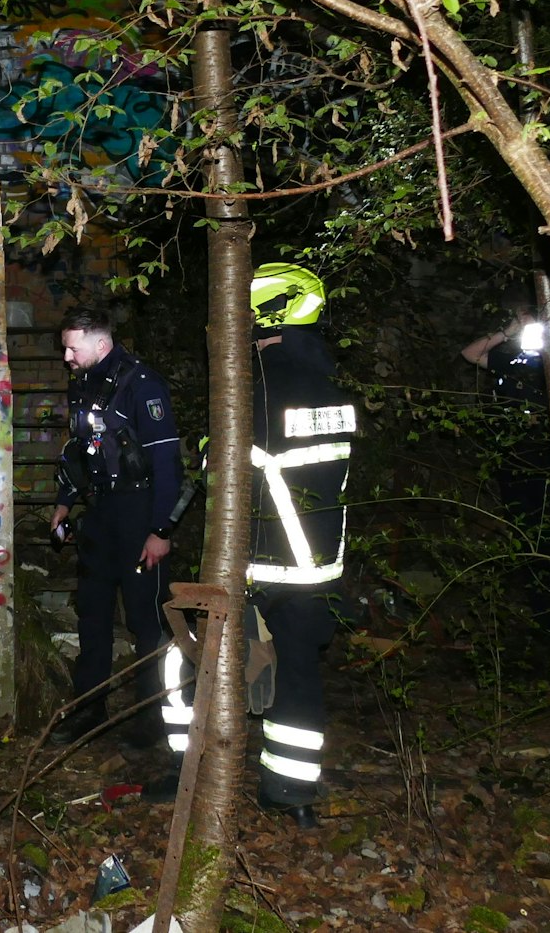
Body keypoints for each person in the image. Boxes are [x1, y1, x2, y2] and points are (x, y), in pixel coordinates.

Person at [157, 262, 355, 828]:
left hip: (260, 560)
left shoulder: (259, 388)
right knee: (296, 677)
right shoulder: (326, 384)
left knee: (184, 659)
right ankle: (291, 794)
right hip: (318, 565)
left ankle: (185, 773)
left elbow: (229, 467)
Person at [47, 307, 182, 746]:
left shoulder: (142, 385)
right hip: (100, 513)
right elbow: (80, 450)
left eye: (73, 346)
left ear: (99, 342)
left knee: (147, 621)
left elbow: (166, 462)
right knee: (92, 615)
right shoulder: (85, 384)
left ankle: (154, 722)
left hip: (139, 512)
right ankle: (88, 711)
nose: (67, 356)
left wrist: (161, 530)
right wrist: (66, 502)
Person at [462, 287, 550, 626]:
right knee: (524, 529)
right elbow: (470, 353)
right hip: (513, 458)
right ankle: (539, 606)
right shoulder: (511, 357)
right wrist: (510, 330)